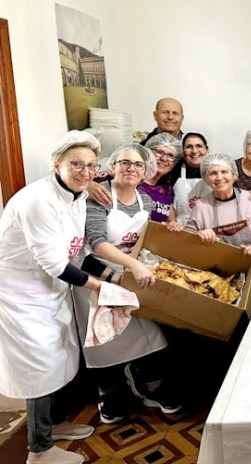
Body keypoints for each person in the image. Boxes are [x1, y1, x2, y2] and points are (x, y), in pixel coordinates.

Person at [0, 131, 106, 464]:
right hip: (21, 296)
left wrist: (112, 275)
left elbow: (77, 253)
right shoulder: (37, 200)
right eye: (76, 163)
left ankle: (53, 424)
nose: (84, 172)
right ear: (56, 163)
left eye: (91, 165)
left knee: (60, 356)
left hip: (49, 289)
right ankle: (39, 449)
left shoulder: (76, 197)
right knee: (40, 366)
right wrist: (104, 287)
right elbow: (56, 263)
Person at [75, 143, 180, 424]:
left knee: (149, 334)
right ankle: (108, 395)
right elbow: (96, 242)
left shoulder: (145, 199)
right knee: (103, 342)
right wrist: (130, 267)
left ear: (145, 171)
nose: (131, 169)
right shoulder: (98, 197)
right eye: (124, 163)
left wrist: (170, 229)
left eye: (137, 165)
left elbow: (144, 237)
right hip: (96, 275)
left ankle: (151, 388)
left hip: (130, 275)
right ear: (112, 168)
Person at [185, 153, 251, 277]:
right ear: (206, 180)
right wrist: (198, 236)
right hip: (218, 272)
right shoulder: (201, 206)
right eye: (213, 173)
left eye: (224, 172)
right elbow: (187, 239)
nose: (219, 178)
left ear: (234, 175)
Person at [88, 133, 183, 228]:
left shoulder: (166, 188)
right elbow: (86, 186)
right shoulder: (126, 176)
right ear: (147, 155)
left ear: (174, 164)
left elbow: (171, 220)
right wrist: (89, 185)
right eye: (159, 152)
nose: (164, 158)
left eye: (170, 155)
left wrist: (172, 225)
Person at [171, 131, 212, 226]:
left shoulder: (217, 172)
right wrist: (172, 222)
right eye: (189, 147)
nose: (194, 151)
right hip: (181, 229)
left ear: (207, 150)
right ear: (182, 151)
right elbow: (167, 204)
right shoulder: (173, 173)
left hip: (210, 229)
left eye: (199, 146)